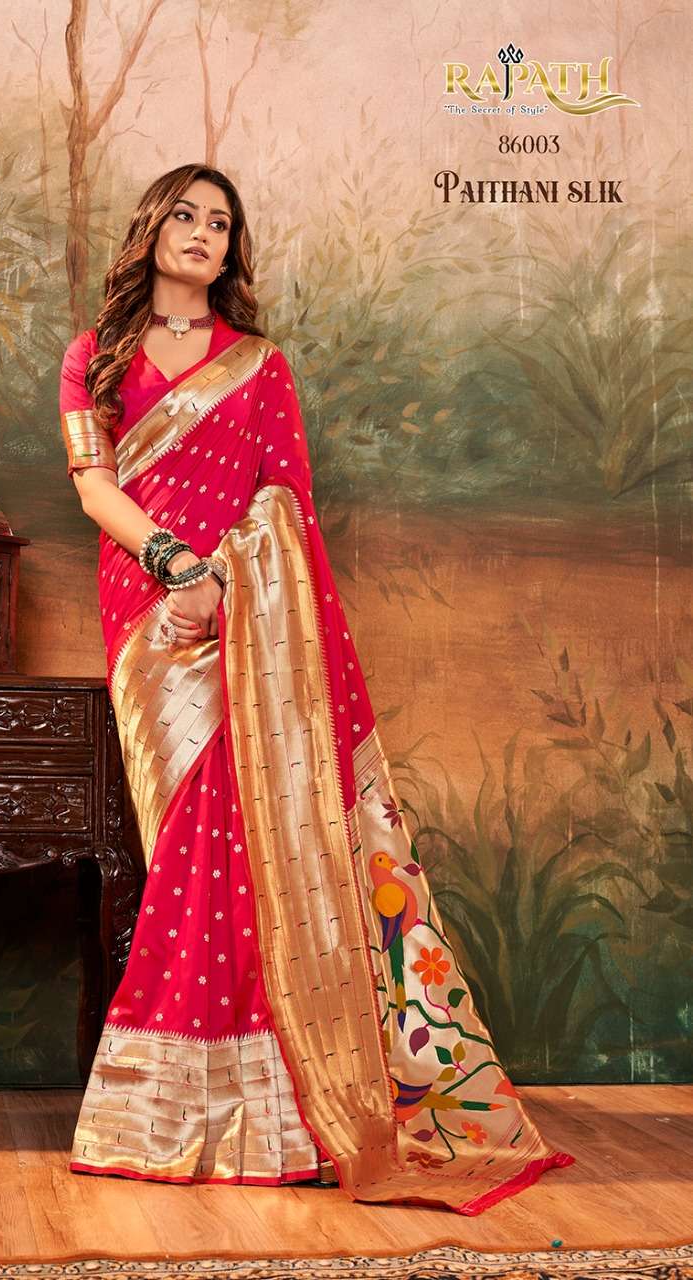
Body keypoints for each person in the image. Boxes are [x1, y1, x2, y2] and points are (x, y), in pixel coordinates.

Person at [58, 163, 575, 1213]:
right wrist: (176, 567)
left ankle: (276, 1115)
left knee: (250, 843)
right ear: (150, 228)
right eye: (185, 215)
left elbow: (285, 503)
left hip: (252, 622)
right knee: (188, 836)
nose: (202, 233)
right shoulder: (93, 356)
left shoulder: (260, 364)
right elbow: (93, 483)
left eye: (220, 223)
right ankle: (174, 1108)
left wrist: (227, 582)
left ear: (231, 250)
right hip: (150, 615)